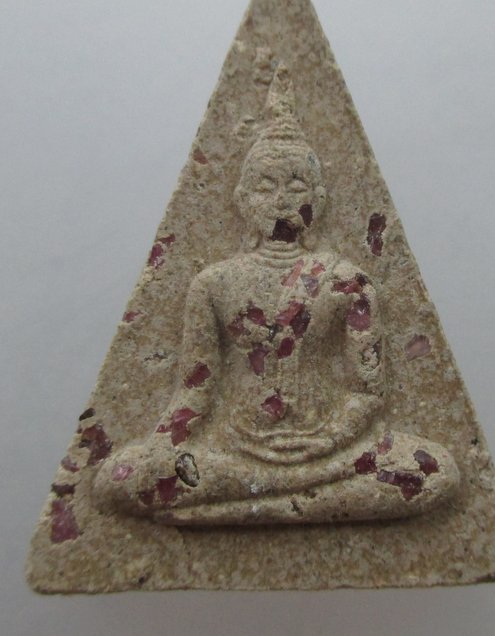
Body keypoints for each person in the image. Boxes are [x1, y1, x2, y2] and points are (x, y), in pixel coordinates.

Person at [94, 65, 459, 524]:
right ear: (243, 199)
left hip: (332, 452)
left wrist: (328, 439)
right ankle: (299, 503)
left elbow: (367, 391)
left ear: (318, 200)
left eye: (296, 185)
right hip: (234, 451)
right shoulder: (214, 283)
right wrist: (163, 445)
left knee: (435, 471)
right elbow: (195, 388)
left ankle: (252, 509)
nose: (282, 199)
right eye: (266, 186)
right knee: (120, 478)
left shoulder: (347, 281)